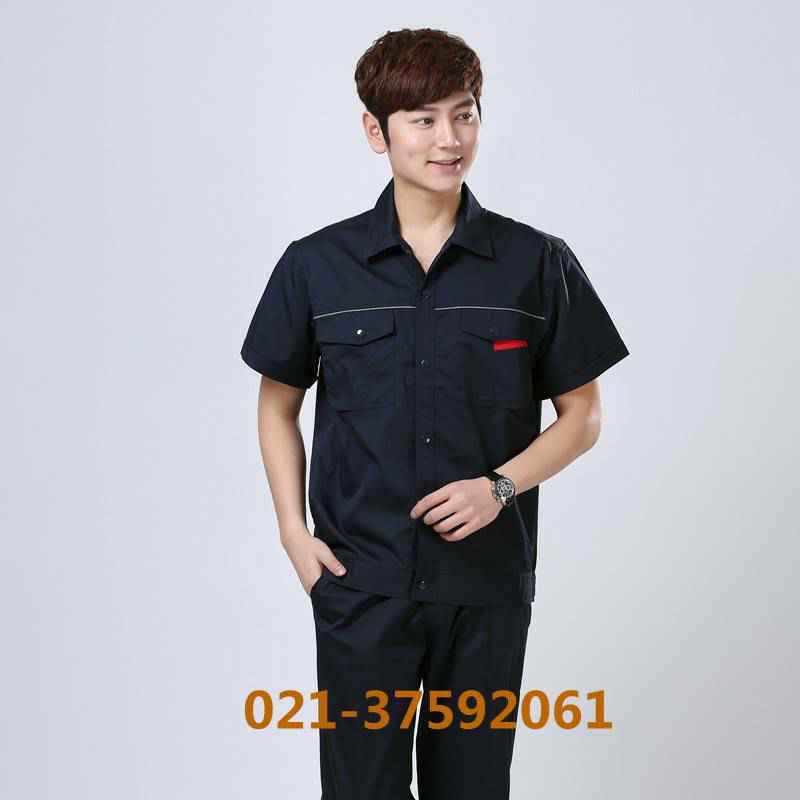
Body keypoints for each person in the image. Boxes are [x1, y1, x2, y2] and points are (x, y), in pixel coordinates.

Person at [240, 26, 629, 800]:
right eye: (423, 119)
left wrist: (500, 488)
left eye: (464, 114)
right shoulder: (316, 266)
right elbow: (278, 406)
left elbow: (583, 416)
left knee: (473, 789)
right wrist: (292, 533)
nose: (449, 139)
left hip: (485, 588)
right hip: (361, 585)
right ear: (376, 131)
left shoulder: (534, 262)